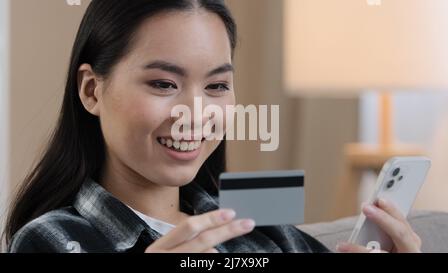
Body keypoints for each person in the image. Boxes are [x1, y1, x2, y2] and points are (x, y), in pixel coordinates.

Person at [4, 0, 421, 253]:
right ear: (92, 91)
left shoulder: (257, 222)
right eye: (164, 84)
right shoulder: (54, 239)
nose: (196, 112)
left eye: (217, 85)